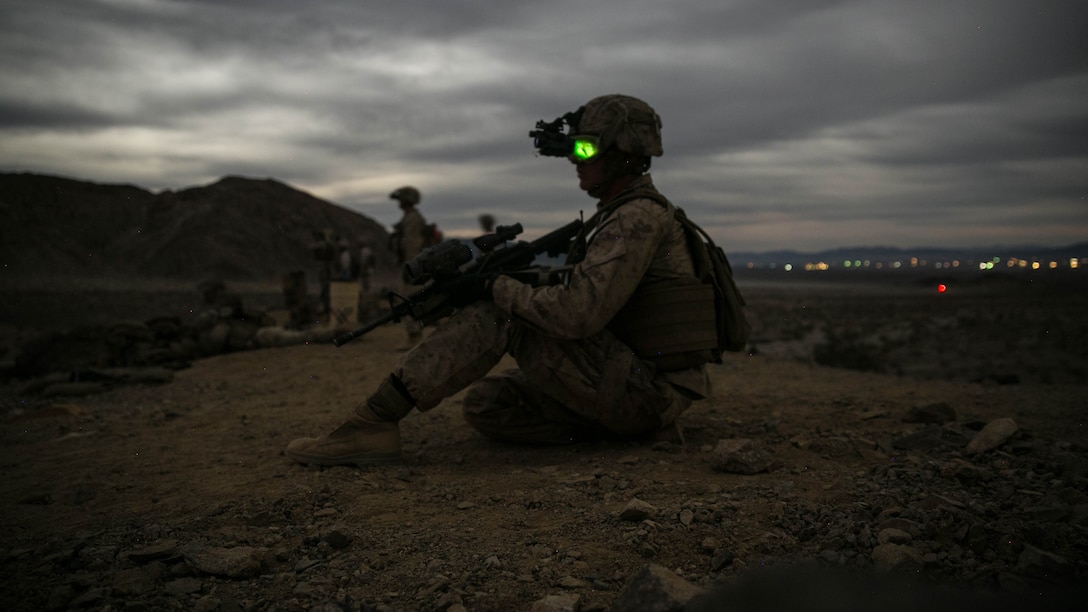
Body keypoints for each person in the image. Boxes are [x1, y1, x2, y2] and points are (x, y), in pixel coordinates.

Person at [286, 94, 712, 467]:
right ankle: (621, 431)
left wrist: (493, 287)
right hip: (636, 381)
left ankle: (373, 422)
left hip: (648, 390)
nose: (574, 161)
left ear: (625, 154)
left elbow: (578, 314)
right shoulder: (622, 215)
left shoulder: (636, 218)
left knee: (502, 315)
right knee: (488, 406)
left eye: (585, 149)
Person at [387, 186, 429, 344]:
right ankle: (413, 335)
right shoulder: (409, 218)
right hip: (409, 264)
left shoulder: (413, 219)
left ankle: (415, 336)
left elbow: (412, 245)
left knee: (408, 299)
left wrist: (409, 265)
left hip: (411, 265)